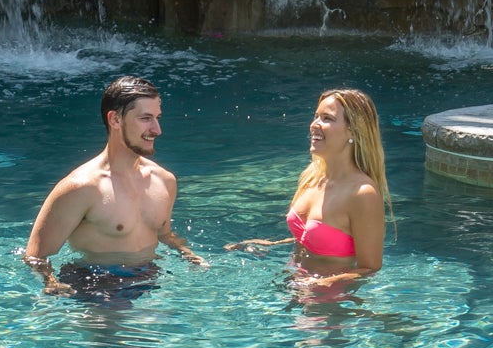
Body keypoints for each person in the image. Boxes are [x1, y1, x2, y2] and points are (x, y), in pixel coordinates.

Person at [23, 75, 206, 296]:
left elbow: (164, 234)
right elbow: (35, 255)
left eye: (157, 118)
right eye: (146, 118)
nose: (157, 130)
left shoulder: (164, 180)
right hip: (97, 284)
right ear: (115, 120)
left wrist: (188, 254)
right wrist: (51, 283)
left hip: (150, 275)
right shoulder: (82, 188)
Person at [229, 88, 387, 292]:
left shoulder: (362, 193)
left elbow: (371, 267)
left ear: (353, 131)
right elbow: (320, 237)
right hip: (291, 284)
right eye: (316, 117)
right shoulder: (312, 176)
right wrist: (271, 244)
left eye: (327, 118)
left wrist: (322, 283)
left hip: (329, 305)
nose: (314, 125)